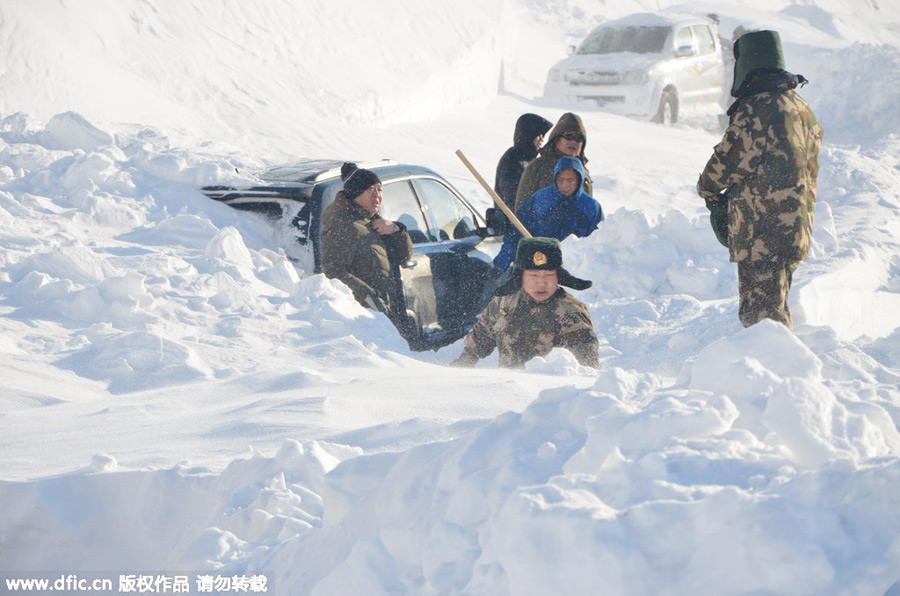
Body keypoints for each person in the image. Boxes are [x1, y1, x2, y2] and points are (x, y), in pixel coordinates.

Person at [697, 30, 823, 330]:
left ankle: (773, 372)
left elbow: (727, 162)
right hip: (794, 225)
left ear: (748, 65)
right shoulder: (801, 107)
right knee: (775, 307)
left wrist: (706, 188)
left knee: (762, 320)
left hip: (763, 229)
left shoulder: (758, 108)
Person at [452, 237, 599, 368]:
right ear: (520, 276)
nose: (541, 283)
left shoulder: (571, 312)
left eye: (549, 275)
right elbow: (477, 344)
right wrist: (457, 372)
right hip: (509, 390)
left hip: (552, 395)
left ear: (559, 277)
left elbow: (586, 369)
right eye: (533, 275)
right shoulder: (502, 304)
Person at [321, 163, 416, 334]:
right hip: (366, 321)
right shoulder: (344, 225)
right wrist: (370, 298)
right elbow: (333, 271)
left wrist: (396, 229)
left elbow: (405, 257)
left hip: (389, 312)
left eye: (379, 190)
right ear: (356, 193)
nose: (377, 196)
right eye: (371, 190)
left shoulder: (372, 222)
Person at [494, 156, 603, 271]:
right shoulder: (540, 200)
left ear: (579, 180)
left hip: (575, 270)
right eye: (560, 180)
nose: (564, 185)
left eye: (570, 180)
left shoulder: (591, 208)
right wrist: (502, 263)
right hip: (536, 267)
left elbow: (600, 244)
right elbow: (516, 232)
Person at [514, 112, 592, 212]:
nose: (573, 142)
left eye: (579, 138)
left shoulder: (584, 173)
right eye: (568, 137)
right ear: (556, 138)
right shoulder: (538, 167)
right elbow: (522, 209)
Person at [494, 113, 553, 209]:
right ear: (529, 134)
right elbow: (513, 202)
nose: (542, 139)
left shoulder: (528, 160)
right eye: (539, 135)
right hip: (512, 222)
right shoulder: (512, 162)